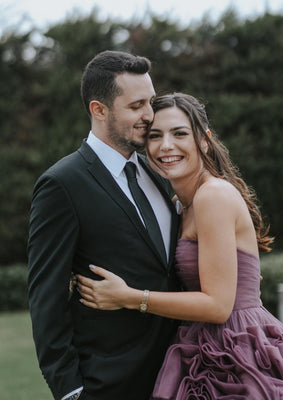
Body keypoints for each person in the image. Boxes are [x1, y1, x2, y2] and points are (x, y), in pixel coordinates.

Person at [76, 92, 283, 399]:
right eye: (155, 136)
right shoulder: (180, 203)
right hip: (202, 342)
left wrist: (130, 297)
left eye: (179, 133)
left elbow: (218, 307)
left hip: (235, 349)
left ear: (204, 141)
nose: (166, 146)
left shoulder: (212, 196)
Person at [27, 51, 181, 400]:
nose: (149, 115)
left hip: (179, 374)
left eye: (151, 102)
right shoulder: (62, 184)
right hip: (108, 384)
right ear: (99, 110)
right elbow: (45, 298)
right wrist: (71, 390)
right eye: (136, 105)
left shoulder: (159, 172)